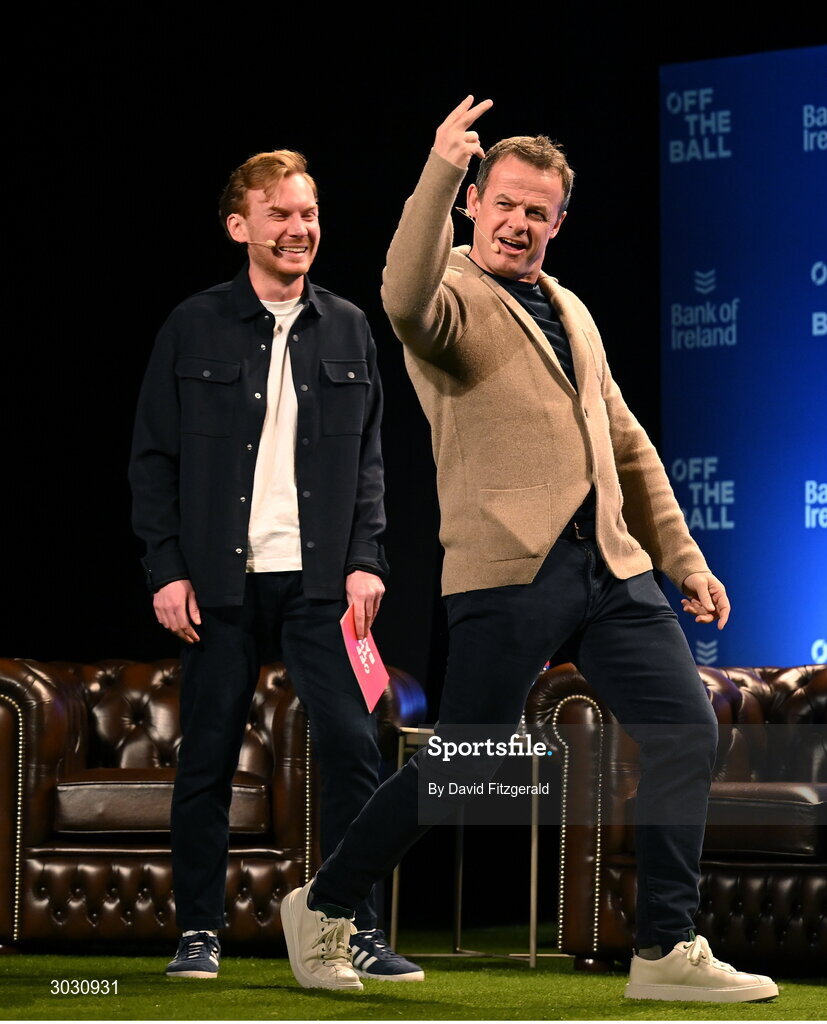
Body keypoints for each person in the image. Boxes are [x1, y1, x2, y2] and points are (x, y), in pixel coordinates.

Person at [279, 100, 778, 1002]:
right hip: (512, 567)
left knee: (684, 729)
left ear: (557, 220)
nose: (519, 222)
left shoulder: (573, 308)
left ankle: (666, 949)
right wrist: (435, 165)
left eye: (537, 211)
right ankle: (325, 904)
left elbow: (625, 440)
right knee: (463, 769)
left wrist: (683, 557)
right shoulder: (447, 301)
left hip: (613, 570)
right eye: (503, 203)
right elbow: (399, 289)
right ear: (474, 202)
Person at [129, 150, 422, 986]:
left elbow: (370, 460)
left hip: (323, 583)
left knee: (354, 746)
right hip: (217, 584)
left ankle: (353, 928)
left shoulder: (349, 326)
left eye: (308, 215)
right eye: (280, 215)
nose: (299, 230)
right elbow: (152, 459)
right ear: (240, 226)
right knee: (209, 756)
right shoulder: (194, 325)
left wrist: (368, 561)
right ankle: (199, 931)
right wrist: (166, 568)